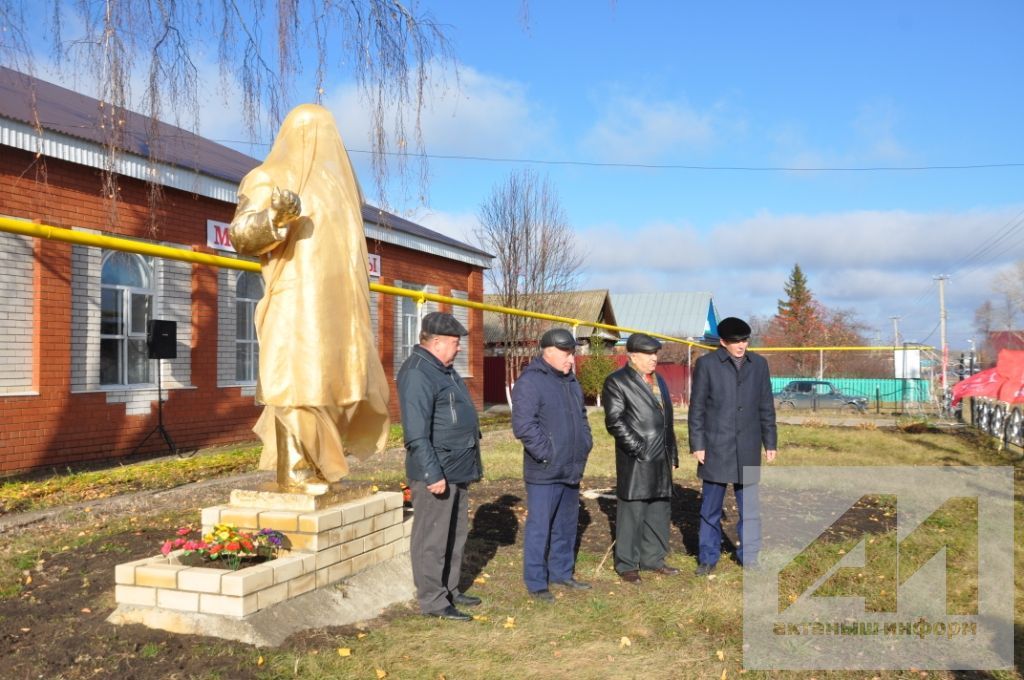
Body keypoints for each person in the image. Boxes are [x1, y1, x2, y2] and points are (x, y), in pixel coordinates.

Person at [228, 104, 389, 492]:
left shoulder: (343, 192)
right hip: (295, 302)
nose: (317, 140)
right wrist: (276, 219)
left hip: (340, 309)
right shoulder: (269, 177)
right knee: (295, 383)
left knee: (333, 383)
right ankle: (297, 468)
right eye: (308, 130)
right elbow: (240, 235)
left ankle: (320, 466)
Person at [398, 311, 483, 621]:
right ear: (435, 342)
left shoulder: (443, 369)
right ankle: (433, 600)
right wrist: (433, 473)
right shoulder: (418, 372)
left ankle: (449, 589)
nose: (459, 347)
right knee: (431, 538)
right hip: (436, 471)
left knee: (455, 534)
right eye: (454, 342)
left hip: (456, 467)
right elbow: (416, 433)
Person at [688, 316, 778, 576]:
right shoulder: (706, 365)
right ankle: (707, 557)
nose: (741, 346)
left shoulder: (759, 365)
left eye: (745, 340)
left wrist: (769, 440)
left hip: (748, 446)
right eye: (736, 341)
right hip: (715, 446)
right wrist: (698, 443)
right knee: (710, 508)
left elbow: (765, 405)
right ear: (723, 342)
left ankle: (749, 558)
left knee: (749, 508)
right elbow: (697, 408)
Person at [511, 328, 594, 602]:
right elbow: (524, 426)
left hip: (571, 466)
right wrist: (547, 453)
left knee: (566, 524)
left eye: (572, 353)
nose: (571, 359)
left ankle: (561, 572)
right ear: (548, 352)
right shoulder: (531, 382)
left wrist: (585, 442)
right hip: (544, 470)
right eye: (566, 353)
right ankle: (536, 583)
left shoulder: (570, 381)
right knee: (540, 526)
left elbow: (581, 417)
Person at [602, 333, 680, 584]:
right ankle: (626, 564)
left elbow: (667, 421)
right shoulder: (617, 382)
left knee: (658, 508)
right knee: (632, 511)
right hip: (637, 457)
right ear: (632, 355)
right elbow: (614, 421)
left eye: (656, 354)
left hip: (662, 456)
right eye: (648, 354)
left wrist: (672, 451)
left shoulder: (660, 381)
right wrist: (638, 448)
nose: (654, 358)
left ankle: (653, 559)